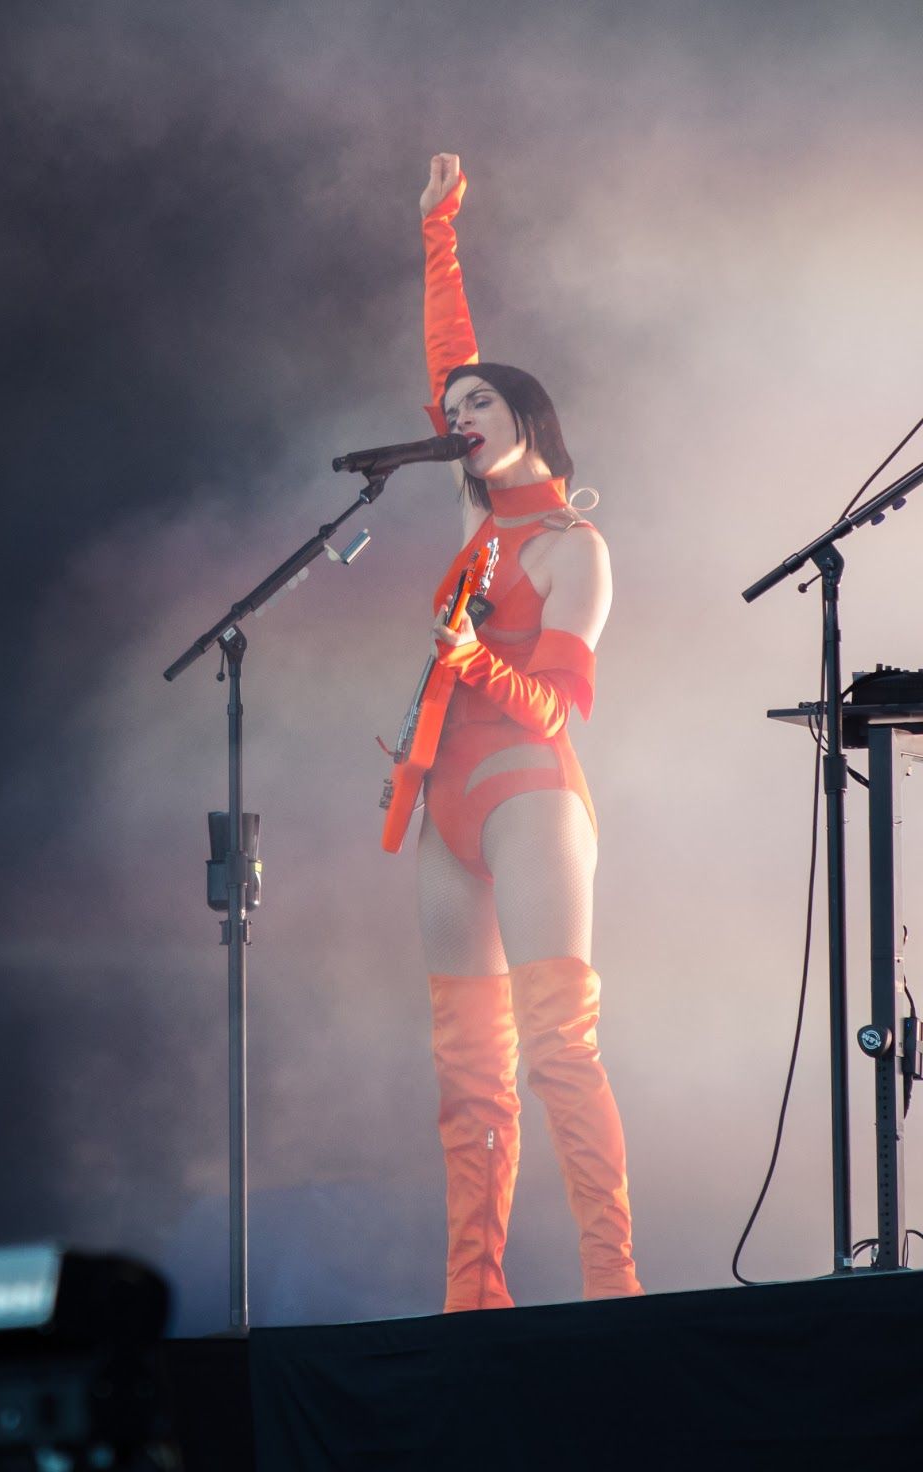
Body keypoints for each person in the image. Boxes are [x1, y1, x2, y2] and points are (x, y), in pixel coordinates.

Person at [408, 153, 641, 1310]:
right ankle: (473, 1295)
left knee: (557, 1041)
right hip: (443, 794)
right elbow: (451, 359)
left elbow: (558, 704)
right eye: (450, 413)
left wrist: (468, 657)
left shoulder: (570, 548)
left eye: (480, 407)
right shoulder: (477, 519)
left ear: (527, 418)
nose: (458, 418)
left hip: (529, 788)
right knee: (466, 1069)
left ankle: (613, 1281)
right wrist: (435, 237)